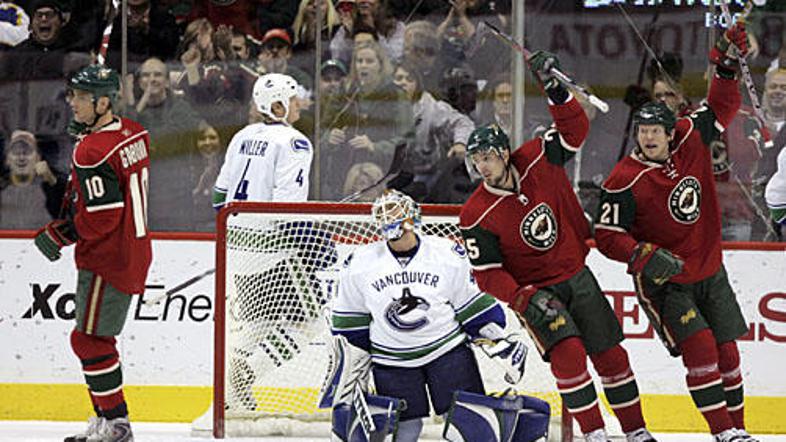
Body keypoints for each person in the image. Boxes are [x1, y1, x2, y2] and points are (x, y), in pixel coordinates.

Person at [459, 51, 655, 442]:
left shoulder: (535, 157)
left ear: (503, 153)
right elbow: (487, 273)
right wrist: (521, 298)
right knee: (568, 358)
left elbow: (574, 132)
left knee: (611, 356)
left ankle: (636, 432)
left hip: (576, 275)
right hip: (538, 292)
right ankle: (594, 434)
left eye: (487, 157)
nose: (482, 165)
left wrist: (554, 89)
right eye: (476, 159)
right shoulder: (475, 214)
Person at [594, 22, 760, 442]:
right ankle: (722, 432)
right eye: (643, 131)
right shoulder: (623, 180)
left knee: (727, 351)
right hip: (667, 282)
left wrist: (725, 66)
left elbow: (721, 105)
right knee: (701, 349)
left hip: (710, 269)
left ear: (672, 132)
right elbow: (608, 236)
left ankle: (737, 432)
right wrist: (644, 256)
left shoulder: (691, 136)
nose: (648, 138)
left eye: (655, 132)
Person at [331, 189, 527, 442]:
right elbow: (351, 320)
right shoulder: (361, 262)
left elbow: (472, 304)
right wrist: (354, 364)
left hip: (447, 353)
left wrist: (495, 338)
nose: (388, 217)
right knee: (402, 431)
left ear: (412, 215)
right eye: (382, 213)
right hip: (392, 360)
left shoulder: (446, 254)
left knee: (469, 426)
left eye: (394, 210)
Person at [33, 64, 151, 442]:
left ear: (104, 102)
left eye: (81, 98)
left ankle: (116, 423)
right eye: (72, 96)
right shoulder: (134, 132)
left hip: (107, 257)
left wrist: (61, 232)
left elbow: (102, 218)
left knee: (90, 341)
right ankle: (105, 420)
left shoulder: (93, 151)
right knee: (90, 339)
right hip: (133, 248)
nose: (73, 104)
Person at [212, 73, 312, 208]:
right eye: (293, 99)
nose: (299, 104)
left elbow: (219, 197)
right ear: (277, 107)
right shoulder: (294, 142)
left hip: (231, 226)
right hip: (267, 228)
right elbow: (289, 209)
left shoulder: (242, 135)